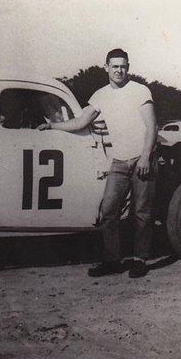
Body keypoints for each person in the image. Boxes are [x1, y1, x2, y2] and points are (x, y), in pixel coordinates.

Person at [38, 48, 158, 278]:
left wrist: (145, 157)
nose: (119, 70)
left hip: (143, 159)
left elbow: (151, 126)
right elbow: (80, 122)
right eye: (114, 66)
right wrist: (52, 126)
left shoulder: (140, 91)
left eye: (123, 66)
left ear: (128, 67)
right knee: (109, 211)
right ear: (106, 68)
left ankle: (140, 260)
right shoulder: (100, 95)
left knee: (142, 213)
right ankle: (112, 260)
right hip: (120, 161)